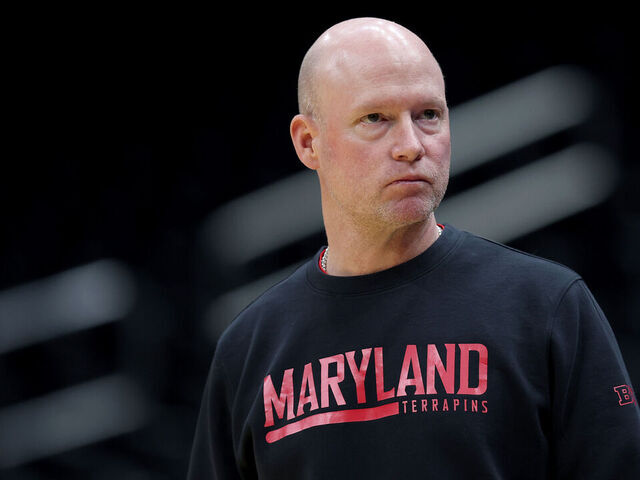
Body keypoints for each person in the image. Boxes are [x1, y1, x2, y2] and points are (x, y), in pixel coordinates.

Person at [187, 17, 640, 479]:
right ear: (309, 142)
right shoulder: (248, 349)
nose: (410, 145)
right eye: (375, 119)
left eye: (428, 115)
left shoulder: (548, 306)